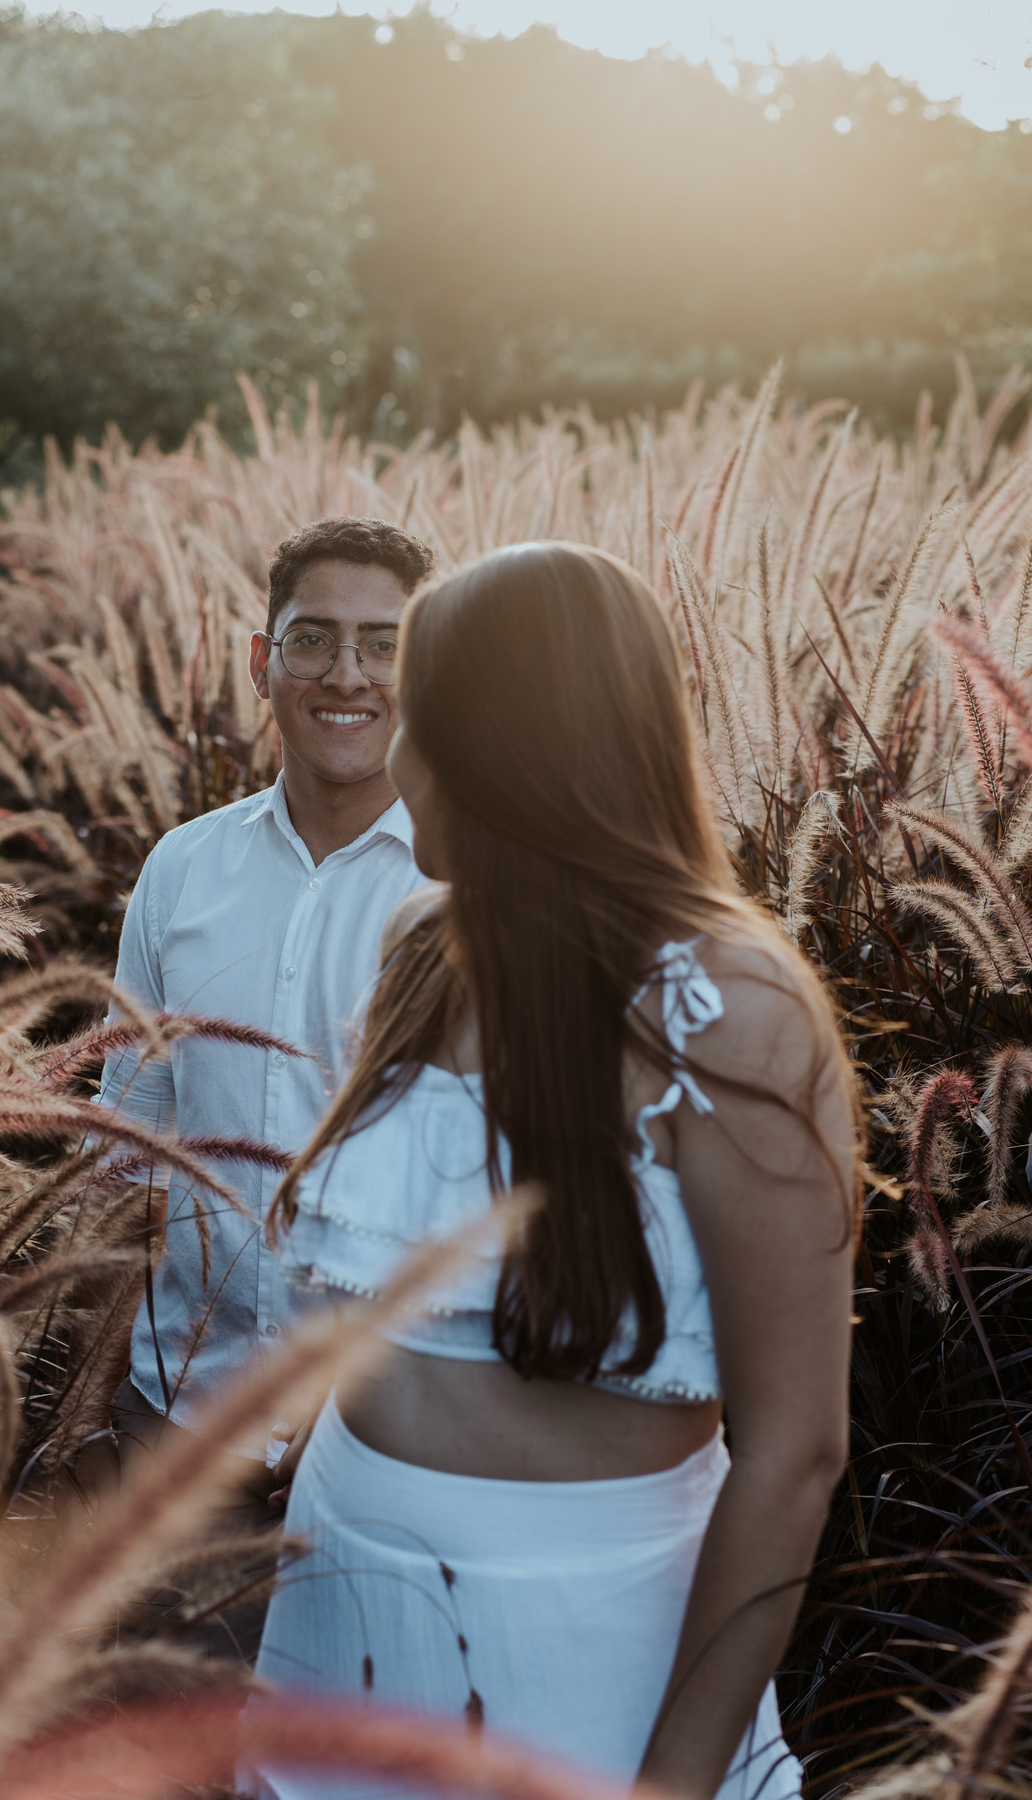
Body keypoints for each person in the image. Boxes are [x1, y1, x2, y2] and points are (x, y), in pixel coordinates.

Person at [246, 542, 859, 1796]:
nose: (398, 760)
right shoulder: (423, 943)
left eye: (424, 717)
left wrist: (672, 1782)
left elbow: (796, 1449)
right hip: (340, 1603)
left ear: (509, 747)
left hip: (587, 1642)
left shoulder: (736, 1009)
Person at [97, 515, 433, 1660]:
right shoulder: (180, 871)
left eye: (385, 644)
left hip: (392, 1458)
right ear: (260, 662)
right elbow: (125, 1150)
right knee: (175, 1733)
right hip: (183, 1436)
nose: (348, 675)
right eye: (313, 639)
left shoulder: (469, 889)